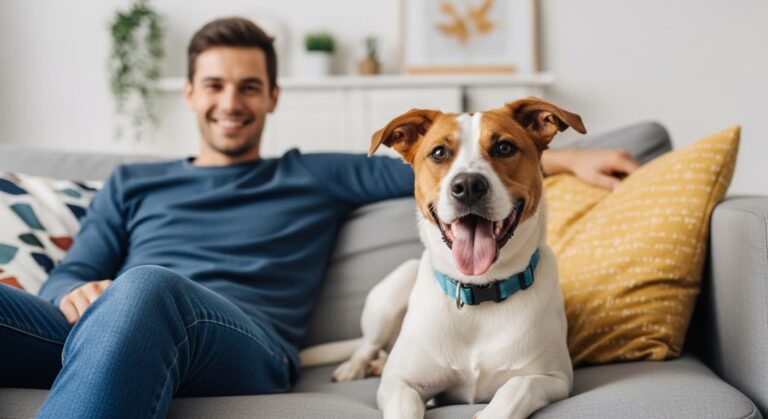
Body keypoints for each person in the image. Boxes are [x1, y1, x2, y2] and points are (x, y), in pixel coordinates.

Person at [0, 17, 639, 418]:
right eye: (215, 85)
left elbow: (446, 175)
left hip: (238, 338)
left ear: (273, 97)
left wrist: (569, 158)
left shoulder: (310, 172)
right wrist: (74, 293)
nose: (231, 102)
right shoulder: (132, 181)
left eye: (249, 86)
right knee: (117, 295)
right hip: (119, 323)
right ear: (190, 93)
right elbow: (75, 271)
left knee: (147, 283)